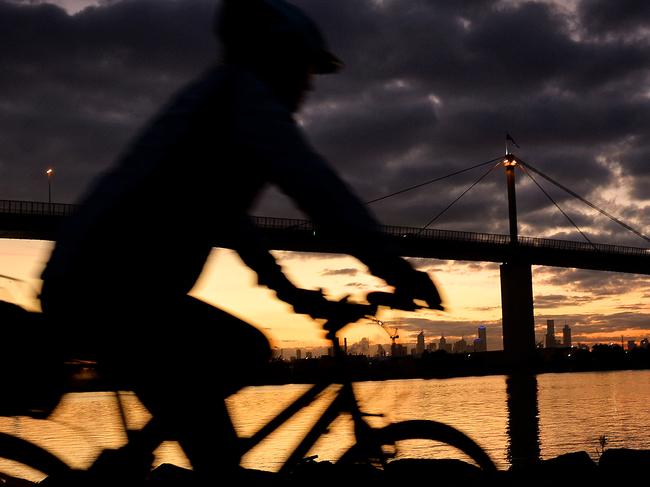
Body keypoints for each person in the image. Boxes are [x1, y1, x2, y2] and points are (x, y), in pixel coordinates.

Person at [40, 0, 444, 480]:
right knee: (240, 353)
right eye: (305, 70)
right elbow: (320, 192)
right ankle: (133, 467)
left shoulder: (215, 108)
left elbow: (233, 226)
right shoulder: (245, 100)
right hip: (110, 292)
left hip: (99, 287)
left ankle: (129, 465)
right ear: (277, 58)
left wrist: (294, 296)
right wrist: (398, 271)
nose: (308, 85)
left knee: (213, 421)